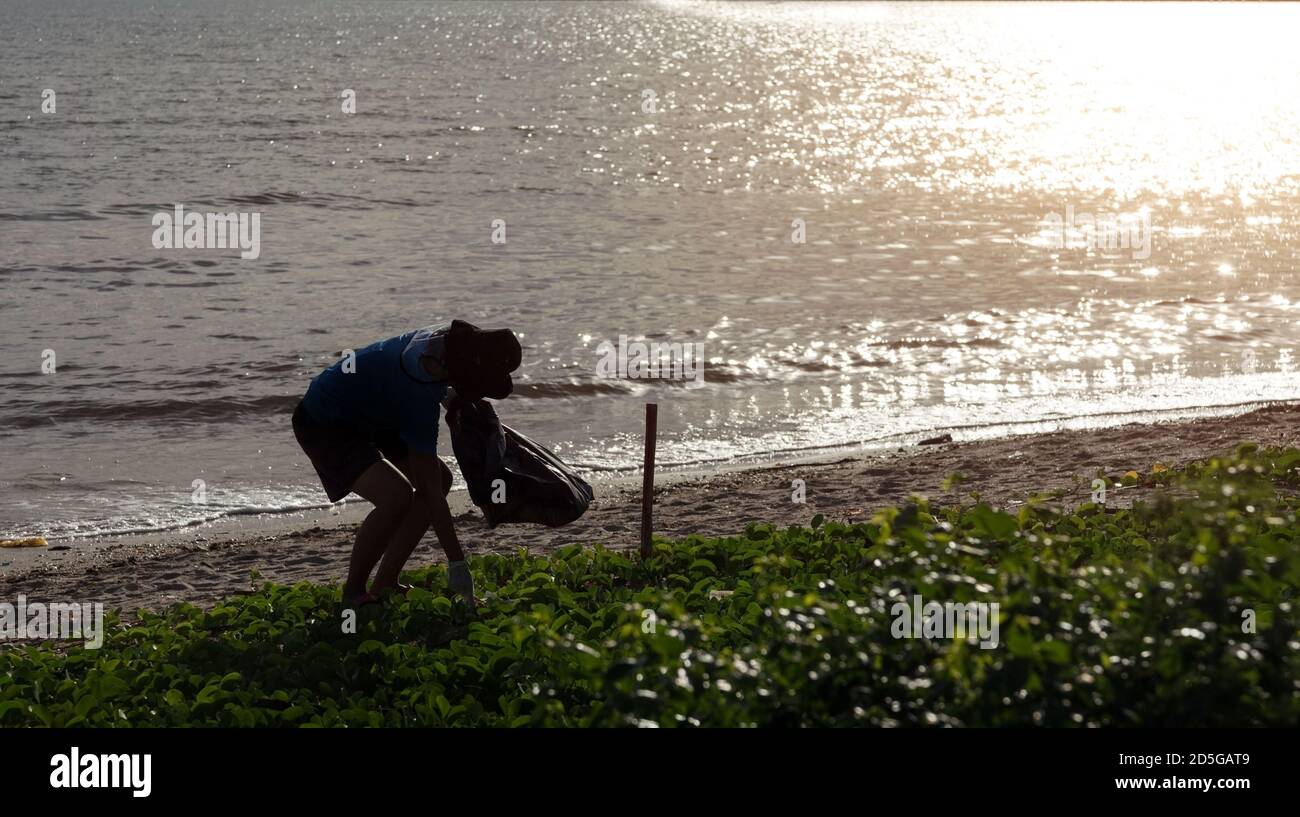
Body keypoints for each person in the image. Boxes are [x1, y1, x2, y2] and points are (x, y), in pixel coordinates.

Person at [292, 320, 522, 606]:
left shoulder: (453, 343)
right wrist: (457, 562)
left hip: (380, 412)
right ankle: (353, 592)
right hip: (325, 421)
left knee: (443, 479)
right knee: (396, 497)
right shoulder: (419, 391)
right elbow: (430, 491)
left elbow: (447, 384)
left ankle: (385, 582)